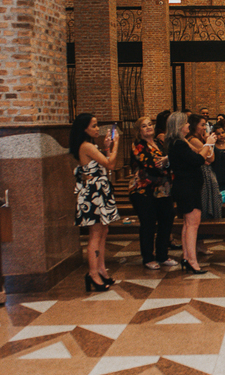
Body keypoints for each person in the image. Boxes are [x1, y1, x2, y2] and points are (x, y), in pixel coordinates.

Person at [70, 113, 119, 292]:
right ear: (84, 129)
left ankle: (101, 269)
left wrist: (106, 148)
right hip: (93, 194)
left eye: (97, 125)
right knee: (96, 234)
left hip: (99, 191)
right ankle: (93, 273)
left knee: (103, 231)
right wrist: (116, 144)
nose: (97, 129)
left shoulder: (91, 146)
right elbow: (110, 164)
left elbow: (104, 165)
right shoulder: (87, 146)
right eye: (94, 126)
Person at [168, 111, 216, 275]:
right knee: (193, 225)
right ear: (179, 126)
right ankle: (192, 261)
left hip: (186, 186)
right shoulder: (179, 144)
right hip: (187, 187)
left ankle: (187, 257)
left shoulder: (179, 142)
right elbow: (198, 160)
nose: (188, 125)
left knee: (188, 224)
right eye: (186, 123)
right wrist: (208, 144)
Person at [130, 113, 177, 271]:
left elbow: (171, 160)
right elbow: (151, 164)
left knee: (167, 219)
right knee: (148, 223)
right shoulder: (138, 145)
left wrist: (168, 162)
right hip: (144, 190)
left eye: (150, 124)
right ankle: (148, 258)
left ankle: (162, 255)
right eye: (144, 126)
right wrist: (167, 162)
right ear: (139, 131)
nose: (148, 127)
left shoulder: (159, 142)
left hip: (163, 188)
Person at [188, 115, 223, 222]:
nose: (204, 128)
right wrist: (209, 143)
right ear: (194, 126)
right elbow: (211, 158)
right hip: (203, 174)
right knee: (205, 203)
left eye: (205, 125)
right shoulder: (193, 140)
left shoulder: (199, 139)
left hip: (205, 172)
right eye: (202, 125)